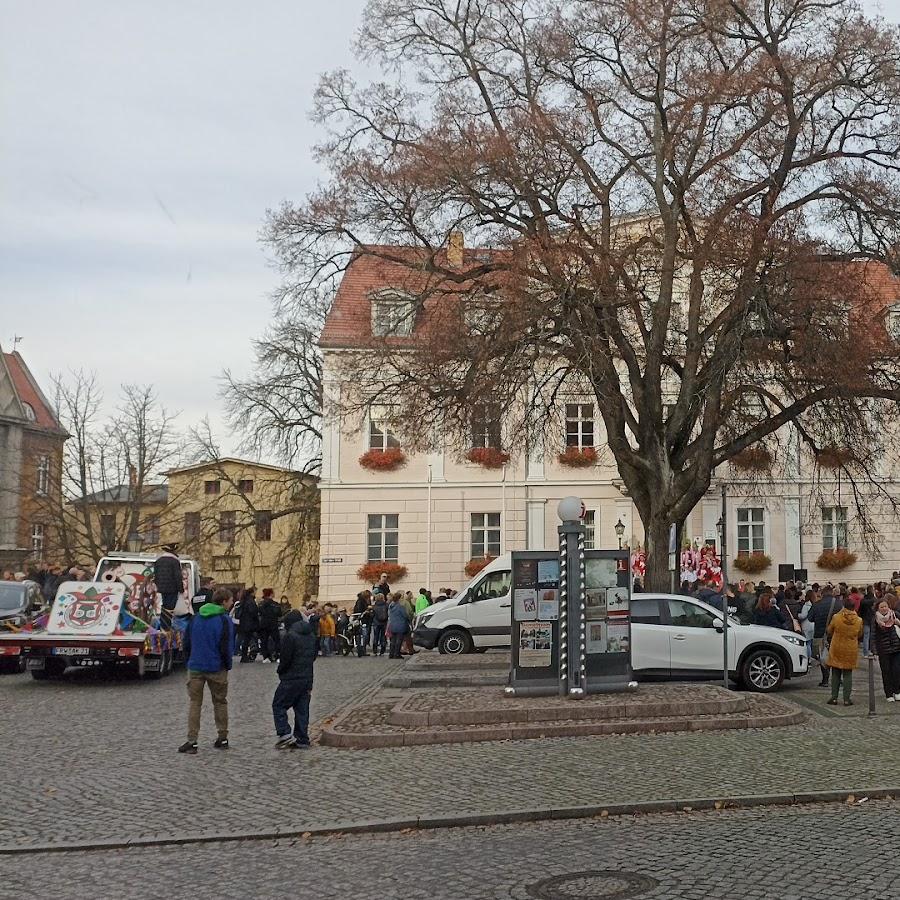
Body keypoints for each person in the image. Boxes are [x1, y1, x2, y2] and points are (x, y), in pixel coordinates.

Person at [178, 587, 235, 754]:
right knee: (220, 701)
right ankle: (222, 737)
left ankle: (192, 741)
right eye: (230, 600)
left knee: (195, 703)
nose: (232, 603)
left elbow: (186, 643)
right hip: (216, 667)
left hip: (195, 666)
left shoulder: (195, 618)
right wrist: (227, 665)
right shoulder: (224, 620)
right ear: (224, 602)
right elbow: (226, 646)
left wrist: (189, 660)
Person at [273, 610, 317, 749]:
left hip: (290, 678)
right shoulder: (311, 635)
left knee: (279, 705)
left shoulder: (289, 636)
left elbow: (286, 659)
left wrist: (280, 670)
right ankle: (302, 738)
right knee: (302, 709)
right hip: (306, 677)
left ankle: (285, 734)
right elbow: (313, 657)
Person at [825, 597, 863, 706]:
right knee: (848, 674)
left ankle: (834, 698)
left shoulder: (836, 617)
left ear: (844, 606)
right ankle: (847, 699)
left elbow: (829, 630)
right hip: (850, 648)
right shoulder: (859, 620)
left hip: (837, 646)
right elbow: (859, 634)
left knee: (835, 673)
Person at [808, 588, 840, 687]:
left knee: (823, 658)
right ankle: (837, 679)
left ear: (822, 594)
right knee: (836, 657)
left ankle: (825, 680)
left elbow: (810, 618)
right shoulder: (839, 604)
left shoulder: (817, 604)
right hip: (836, 634)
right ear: (832, 593)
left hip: (820, 635)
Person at [872, 597, 900, 701]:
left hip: (896, 647)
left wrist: (898, 623)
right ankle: (888, 694)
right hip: (883, 649)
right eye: (882, 607)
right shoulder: (875, 619)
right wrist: (874, 650)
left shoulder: (895, 615)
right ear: (878, 608)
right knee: (886, 671)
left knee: (897, 670)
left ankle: (897, 691)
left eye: (885, 606)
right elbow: (873, 635)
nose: (884, 609)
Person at [154, 544, 183, 631]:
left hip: (162, 588)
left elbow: (156, 575)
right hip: (172, 588)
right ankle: (167, 626)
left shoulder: (158, 561)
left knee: (164, 606)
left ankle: (163, 625)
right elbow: (178, 576)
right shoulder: (175, 561)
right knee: (170, 607)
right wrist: (181, 589)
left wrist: (158, 586)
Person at [257, 588, 282, 663]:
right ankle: (278, 656)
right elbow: (279, 613)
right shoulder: (275, 604)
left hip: (264, 624)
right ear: (271, 594)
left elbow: (259, 612)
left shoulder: (261, 604)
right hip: (273, 624)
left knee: (264, 641)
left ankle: (266, 657)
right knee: (276, 640)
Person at [237, 587, 260, 663]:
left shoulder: (244, 600)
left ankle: (245, 656)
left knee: (246, 640)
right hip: (249, 624)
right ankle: (245, 656)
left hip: (244, 623)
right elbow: (253, 612)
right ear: (252, 592)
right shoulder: (250, 601)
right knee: (247, 640)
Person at [387, 592, 411, 658]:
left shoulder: (390, 606)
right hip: (400, 625)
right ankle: (397, 654)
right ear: (399, 599)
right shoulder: (400, 607)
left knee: (393, 640)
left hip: (392, 625)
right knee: (399, 640)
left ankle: (391, 654)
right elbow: (405, 615)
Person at [353, 591, 372, 657]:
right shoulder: (361, 602)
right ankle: (361, 650)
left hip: (362, 621)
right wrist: (366, 610)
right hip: (362, 621)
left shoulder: (360, 601)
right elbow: (359, 611)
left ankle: (361, 650)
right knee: (363, 636)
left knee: (362, 636)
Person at [860, 586, 877, 659]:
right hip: (872, 619)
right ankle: (871, 650)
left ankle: (865, 652)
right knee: (872, 636)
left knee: (866, 636)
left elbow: (861, 610)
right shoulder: (874, 600)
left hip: (865, 619)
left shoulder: (863, 600)